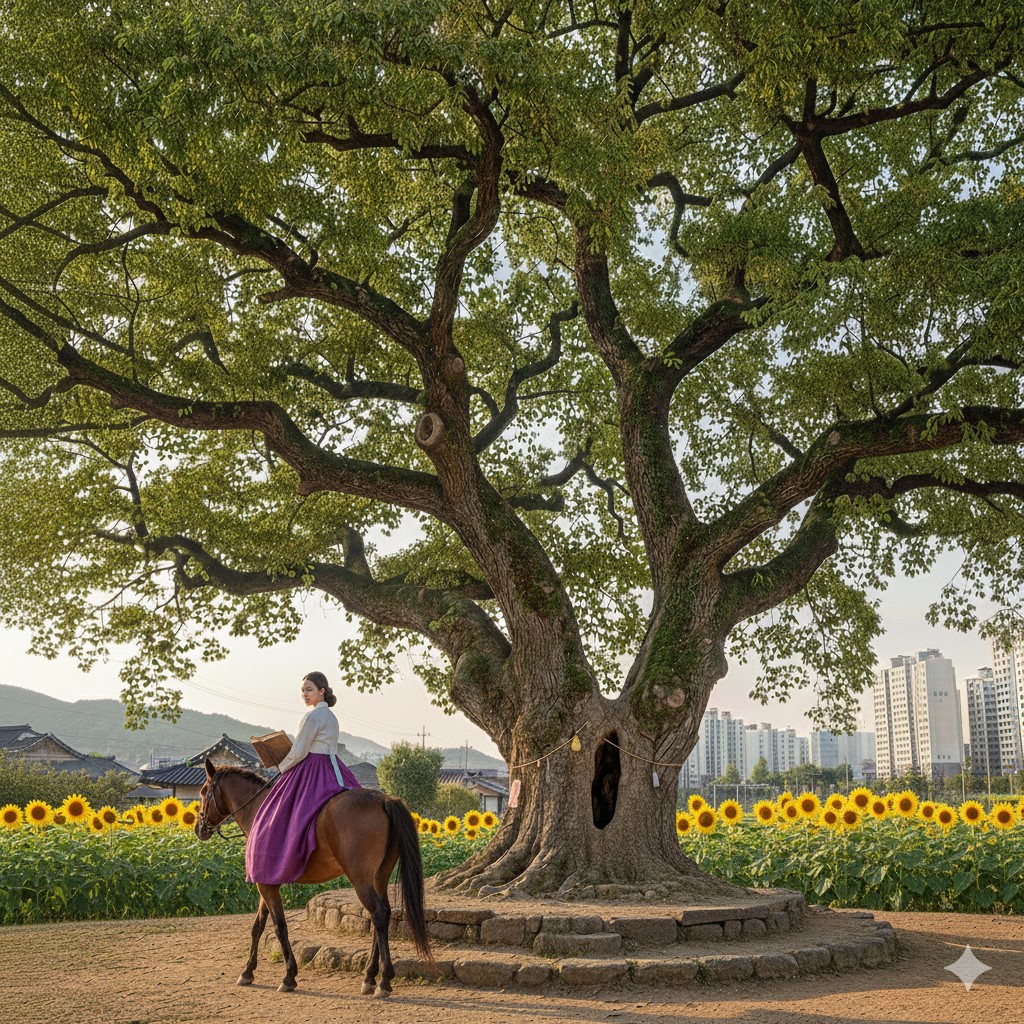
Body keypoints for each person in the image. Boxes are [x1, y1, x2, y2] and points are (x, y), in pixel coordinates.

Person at [245, 671, 361, 884]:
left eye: (309, 690)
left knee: (281, 812)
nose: (305, 694)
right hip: (334, 768)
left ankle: (280, 859)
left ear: (322, 691)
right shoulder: (331, 717)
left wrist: (281, 768)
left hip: (312, 768)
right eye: (302, 690)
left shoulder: (312, 716)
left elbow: (299, 752)